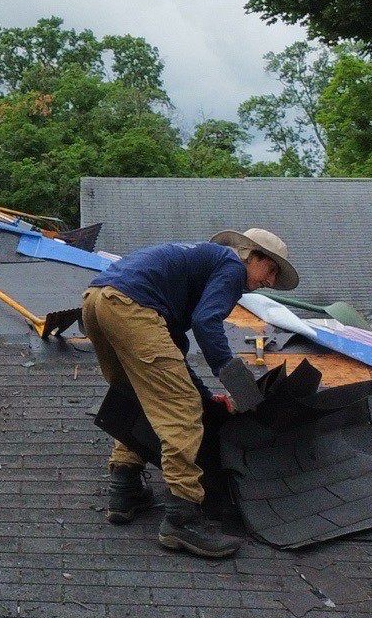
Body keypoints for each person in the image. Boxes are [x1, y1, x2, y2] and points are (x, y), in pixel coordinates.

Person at [79, 227, 300, 559]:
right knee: (181, 409)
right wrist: (242, 390)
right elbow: (207, 323)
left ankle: (124, 489)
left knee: (137, 393)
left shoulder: (200, 264)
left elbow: (173, 350)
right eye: (270, 270)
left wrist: (206, 395)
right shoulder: (231, 266)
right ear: (251, 256)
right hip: (130, 308)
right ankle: (183, 517)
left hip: (97, 302)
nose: (270, 281)